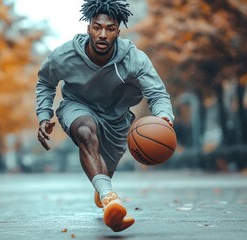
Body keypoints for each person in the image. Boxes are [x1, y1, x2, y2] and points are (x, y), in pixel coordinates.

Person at [36, 0, 174, 232]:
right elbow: (45, 82)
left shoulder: (134, 59)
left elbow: (157, 94)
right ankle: (110, 198)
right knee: (85, 133)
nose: (102, 34)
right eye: (97, 27)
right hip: (77, 106)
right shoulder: (64, 55)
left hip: (116, 119)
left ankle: (103, 190)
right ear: (88, 27)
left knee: (104, 172)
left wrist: (164, 118)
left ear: (118, 31)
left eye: (110, 29)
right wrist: (43, 114)